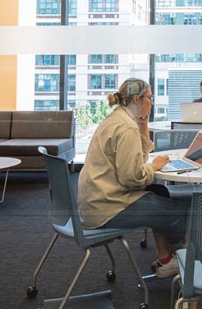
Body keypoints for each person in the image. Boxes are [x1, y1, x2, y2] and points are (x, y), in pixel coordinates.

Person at [78, 78, 186, 278]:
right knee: (180, 213)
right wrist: (153, 168)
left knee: (159, 192)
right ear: (137, 99)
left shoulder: (118, 119)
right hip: (107, 207)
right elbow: (132, 177)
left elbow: (138, 157)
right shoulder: (126, 128)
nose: (152, 102)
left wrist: (143, 122)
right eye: (150, 98)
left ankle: (165, 260)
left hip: (95, 200)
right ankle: (181, 262)